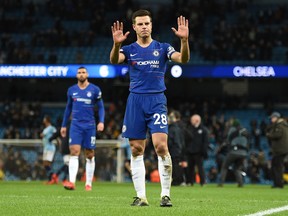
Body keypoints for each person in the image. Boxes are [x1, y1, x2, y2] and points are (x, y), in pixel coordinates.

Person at [110, 9, 190, 207]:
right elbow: (114, 60)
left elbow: (183, 59)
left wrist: (185, 41)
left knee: (161, 146)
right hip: (135, 101)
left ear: (151, 26)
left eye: (147, 23)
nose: (144, 27)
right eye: (141, 24)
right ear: (134, 27)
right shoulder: (128, 50)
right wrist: (116, 44)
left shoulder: (163, 47)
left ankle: (165, 195)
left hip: (156, 101)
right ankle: (141, 196)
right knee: (137, 149)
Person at [60, 66, 105, 191]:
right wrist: (64, 125)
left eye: (83, 72)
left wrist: (101, 122)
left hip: (90, 125)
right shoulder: (71, 90)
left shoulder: (95, 90)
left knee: (89, 154)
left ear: (87, 74)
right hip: (75, 125)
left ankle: (88, 183)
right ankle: (72, 182)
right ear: (76, 75)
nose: (81, 74)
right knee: (74, 151)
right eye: (79, 72)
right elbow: (68, 108)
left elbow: (101, 107)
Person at [218, 119, 249, 187]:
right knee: (237, 168)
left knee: (225, 166)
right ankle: (241, 183)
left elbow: (228, 139)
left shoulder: (233, 129)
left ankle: (221, 183)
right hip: (244, 153)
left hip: (234, 151)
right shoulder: (245, 130)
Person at [184, 114, 209, 186]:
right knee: (190, 168)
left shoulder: (203, 130)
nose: (191, 121)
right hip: (190, 152)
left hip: (199, 152)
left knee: (200, 168)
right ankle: (190, 182)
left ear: (197, 120)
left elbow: (205, 141)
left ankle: (203, 182)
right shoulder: (189, 129)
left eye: (192, 120)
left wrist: (204, 151)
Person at [265, 111, 288, 188]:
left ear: (276, 118)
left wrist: (269, 135)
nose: (271, 119)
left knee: (277, 167)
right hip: (282, 149)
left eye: (272, 118)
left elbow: (277, 135)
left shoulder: (279, 126)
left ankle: (278, 184)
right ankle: (278, 183)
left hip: (279, 150)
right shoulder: (283, 125)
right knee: (277, 166)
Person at [48, 120, 71, 185]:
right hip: (69, 148)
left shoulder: (62, 128)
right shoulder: (73, 127)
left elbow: (53, 137)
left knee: (68, 164)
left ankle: (58, 176)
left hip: (65, 148)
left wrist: (53, 139)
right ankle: (61, 177)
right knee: (68, 164)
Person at [168, 110, 186, 186]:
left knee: (175, 166)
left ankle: (177, 181)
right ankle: (179, 180)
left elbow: (172, 141)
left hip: (174, 150)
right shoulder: (178, 128)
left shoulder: (172, 129)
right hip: (178, 149)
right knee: (176, 165)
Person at [40, 115, 57, 184]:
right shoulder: (45, 128)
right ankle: (53, 178)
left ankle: (51, 179)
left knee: (48, 164)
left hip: (50, 148)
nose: (43, 120)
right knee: (45, 164)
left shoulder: (51, 128)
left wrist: (58, 140)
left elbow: (56, 133)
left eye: (44, 118)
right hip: (46, 148)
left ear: (47, 120)